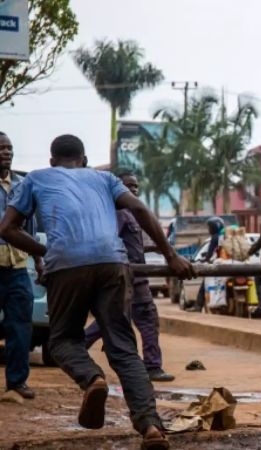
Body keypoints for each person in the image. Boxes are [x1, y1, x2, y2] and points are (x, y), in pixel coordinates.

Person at [0, 134, 195, 450]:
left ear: (52, 161)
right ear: (84, 160)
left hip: (65, 265)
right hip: (112, 262)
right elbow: (140, 210)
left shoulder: (35, 178)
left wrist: (45, 252)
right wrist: (171, 254)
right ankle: (151, 428)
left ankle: (92, 378)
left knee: (62, 340)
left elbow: (7, 228)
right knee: (123, 348)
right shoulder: (105, 179)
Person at [83, 171, 175, 383]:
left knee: (111, 318)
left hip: (133, 274)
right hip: (130, 276)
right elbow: (112, 243)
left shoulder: (128, 214)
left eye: (135, 187)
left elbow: (133, 245)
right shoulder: (116, 214)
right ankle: (152, 366)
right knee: (147, 317)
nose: (133, 190)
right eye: (129, 186)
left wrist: (154, 247)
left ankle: (75, 348)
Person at [0, 131, 36, 400]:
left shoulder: (23, 185)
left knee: (20, 326)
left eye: (9, 148)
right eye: (1, 148)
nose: (7, 152)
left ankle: (17, 382)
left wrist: (41, 261)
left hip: (18, 268)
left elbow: (31, 229)